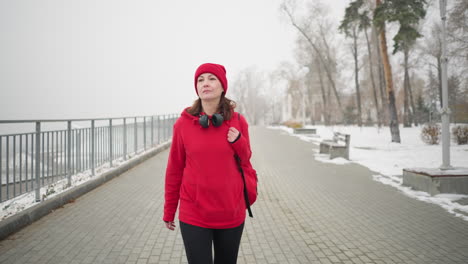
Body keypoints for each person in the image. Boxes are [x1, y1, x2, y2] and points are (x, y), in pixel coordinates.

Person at [163, 63, 256, 264]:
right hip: (194, 213)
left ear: (223, 87)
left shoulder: (238, 121)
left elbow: (246, 159)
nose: (205, 83)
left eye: (212, 78)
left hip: (230, 211)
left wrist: (239, 142)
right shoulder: (183, 124)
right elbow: (174, 169)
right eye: (200, 79)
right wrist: (169, 210)